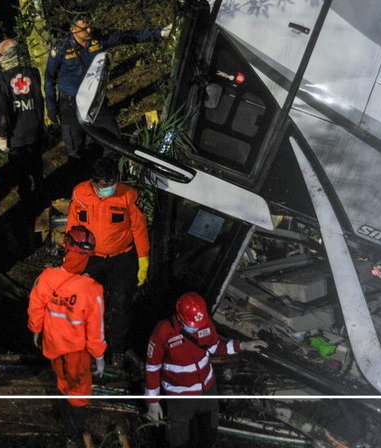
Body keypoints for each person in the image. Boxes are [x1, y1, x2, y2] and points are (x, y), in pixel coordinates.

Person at [144, 292, 267, 447]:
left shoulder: (204, 321)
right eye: (190, 326)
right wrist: (153, 402)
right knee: (179, 440)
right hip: (181, 396)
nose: (195, 329)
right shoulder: (163, 332)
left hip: (207, 390)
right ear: (179, 316)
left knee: (208, 434)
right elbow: (152, 368)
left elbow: (216, 347)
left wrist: (242, 345)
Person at [45, 16, 170, 161]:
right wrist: (51, 106)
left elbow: (126, 37)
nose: (89, 30)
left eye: (90, 26)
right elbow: (50, 78)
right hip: (70, 102)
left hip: (95, 100)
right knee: (74, 148)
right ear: (73, 30)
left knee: (113, 139)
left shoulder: (98, 39)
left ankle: (109, 169)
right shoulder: (61, 48)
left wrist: (159, 33)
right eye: (84, 28)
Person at [65, 157, 149, 369]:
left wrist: (143, 258)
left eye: (112, 183)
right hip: (91, 257)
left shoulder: (128, 196)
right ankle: (89, 346)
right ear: (94, 182)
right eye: (105, 185)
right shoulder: (80, 193)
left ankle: (118, 350)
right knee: (89, 304)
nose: (109, 188)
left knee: (121, 304)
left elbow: (139, 228)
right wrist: (71, 255)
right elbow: (73, 224)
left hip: (121, 257)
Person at [27, 225, 106, 442]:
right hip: (77, 352)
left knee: (61, 381)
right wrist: (99, 355)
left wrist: (36, 329)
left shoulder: (47, 277)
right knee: (79, 393)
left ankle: (66, 423)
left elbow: (36, 305)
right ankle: (76, 432)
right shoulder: (92, 289)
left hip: (53, 344)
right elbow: (95, 329)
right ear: (89, 254)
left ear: (66, 247)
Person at [0, 38, 45, 200]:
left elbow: (4, 111)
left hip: (17, 134)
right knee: (37, 168)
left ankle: (27, 205)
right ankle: (41, 197)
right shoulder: (33, 72)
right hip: (35, 129)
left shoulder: (1, 80)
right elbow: (39, 102)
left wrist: (3, 135)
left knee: (21, 173)